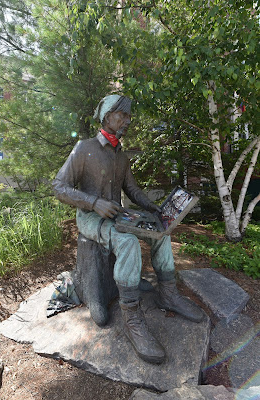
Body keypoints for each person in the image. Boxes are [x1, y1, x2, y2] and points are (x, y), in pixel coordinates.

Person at [53, 94, 203, 365]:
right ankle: (132, 318)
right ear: (107, 115)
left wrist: (154, 208)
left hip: (119, 215)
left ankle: (168, 295)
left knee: (161, 233)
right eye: (122, 115)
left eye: (129, 116)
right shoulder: (83, 148)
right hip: (91, 219)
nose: (127, 121)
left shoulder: (121, 156)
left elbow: (132, 189)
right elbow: (58, 187)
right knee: (128, 244)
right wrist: (94, 202)